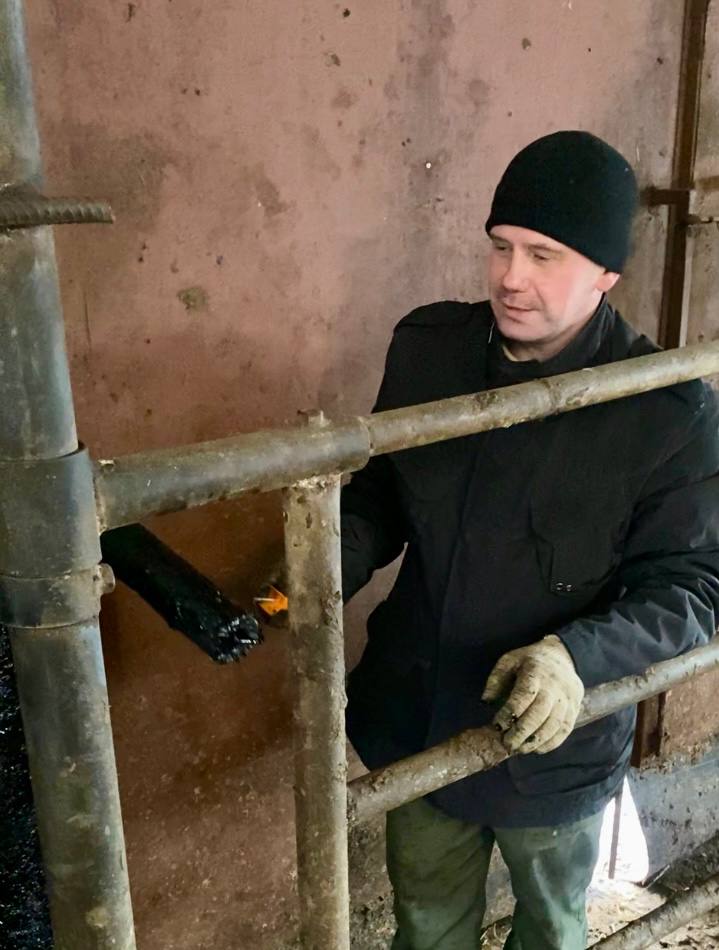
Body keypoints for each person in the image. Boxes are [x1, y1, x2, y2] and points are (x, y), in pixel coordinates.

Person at [340, 130, 719, 949]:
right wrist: (326, 560)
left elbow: (690, 587)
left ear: (606, 273)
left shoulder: (663, 408)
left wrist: (575, 658)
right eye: (501, 246)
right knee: (425, 922)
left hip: (554, 735)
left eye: (544, 256)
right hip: (419, 713)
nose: (511, 277)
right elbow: (383, 489)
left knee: (549, 927)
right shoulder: (429, 349)